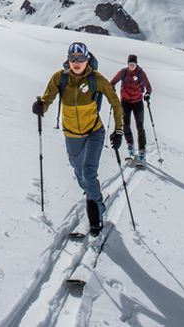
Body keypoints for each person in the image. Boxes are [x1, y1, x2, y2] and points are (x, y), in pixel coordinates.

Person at [32, 42, 123, 236]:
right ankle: (96, 198)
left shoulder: (96, 79)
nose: (76, 62)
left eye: (80, 58)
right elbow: (48, 98)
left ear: (87, 59)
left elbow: (115, 102)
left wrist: (119, 130)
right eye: (72, 58)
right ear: (68, 60)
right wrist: (41, 106)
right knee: (81, 176)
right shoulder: (60, 78)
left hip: (94, 132)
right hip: (71, 135)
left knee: (89, 173)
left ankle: (96, 218)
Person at [110, 54, 152, 164]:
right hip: (125, 102)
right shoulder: (123, 72)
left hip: (138, 102)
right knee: (126, 125)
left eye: (133, 64)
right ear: (127, 64)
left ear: (136, 64)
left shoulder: (141, 73)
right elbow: (112, 82)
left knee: (140, 126)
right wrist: (112, 88)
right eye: (130, 64)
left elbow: (148, 87)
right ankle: (130, 146)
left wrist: (147, 94)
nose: (132, 66)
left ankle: (142, 151)